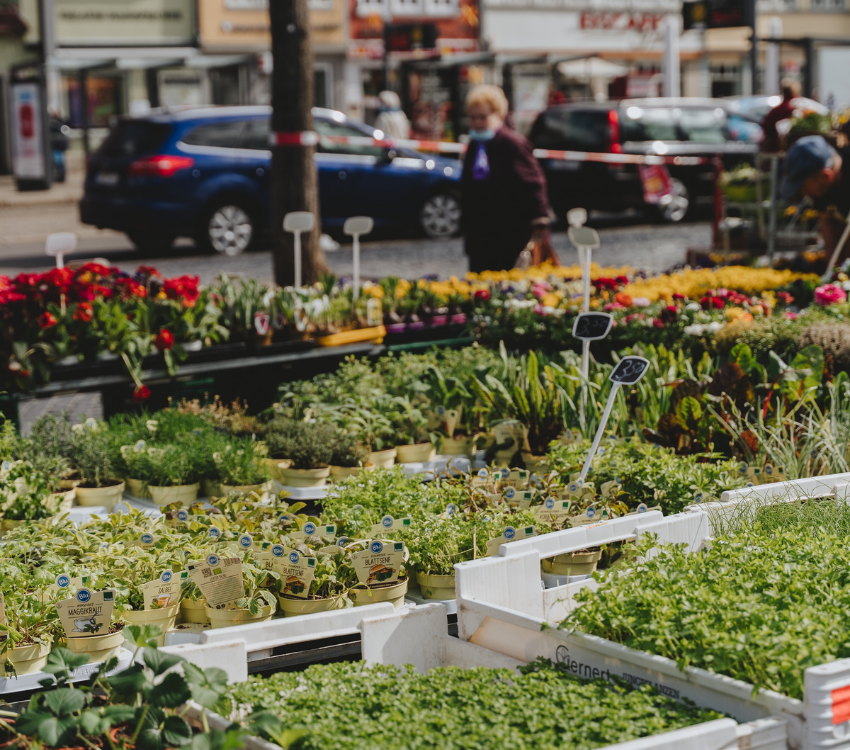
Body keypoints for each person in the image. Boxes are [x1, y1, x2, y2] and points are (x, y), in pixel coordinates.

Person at [460, 85, 555, 273]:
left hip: (511, 234)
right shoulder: (474, 146)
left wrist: (540, 221)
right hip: (481, 236)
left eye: (482, 117)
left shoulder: (514, 145)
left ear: (498, 116)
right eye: (473, 118)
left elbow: (534, 183)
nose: (477, 123)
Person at [781, 135, 850, 264]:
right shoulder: (823, 187)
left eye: (803, 187)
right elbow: (828, 218)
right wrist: (834, 271)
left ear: (826, 176)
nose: (803, 193)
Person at [761, 79, 802, 153]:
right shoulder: (802, 108)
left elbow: (766, 127)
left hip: (778, 150)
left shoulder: (777, 110)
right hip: (799, 151)